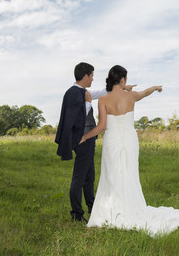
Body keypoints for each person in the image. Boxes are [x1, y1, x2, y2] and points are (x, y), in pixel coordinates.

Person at [79, 65, 179, 237]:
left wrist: (85, 136)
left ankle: (109, 211)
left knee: (111, 175)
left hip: (112, 141)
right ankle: (131, 208)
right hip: (129, 140)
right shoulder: (131, 96)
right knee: (129, 173)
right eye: (125, 79)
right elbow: (145, 92)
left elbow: (102, 126)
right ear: (122, 79)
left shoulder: (104, 101)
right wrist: (156, 87)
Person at [55, 62, 134, 223]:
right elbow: (75, 118)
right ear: (85, 76)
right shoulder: (73, 93)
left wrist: (122, 87)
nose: (92, 79)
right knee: (79, 178)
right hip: (83, 140)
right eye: (91, 75)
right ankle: (76, 214)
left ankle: (93, 208)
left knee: (89, 177)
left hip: (88, 140)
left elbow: (101, 92)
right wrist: (88, 103)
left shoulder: (82, 91)